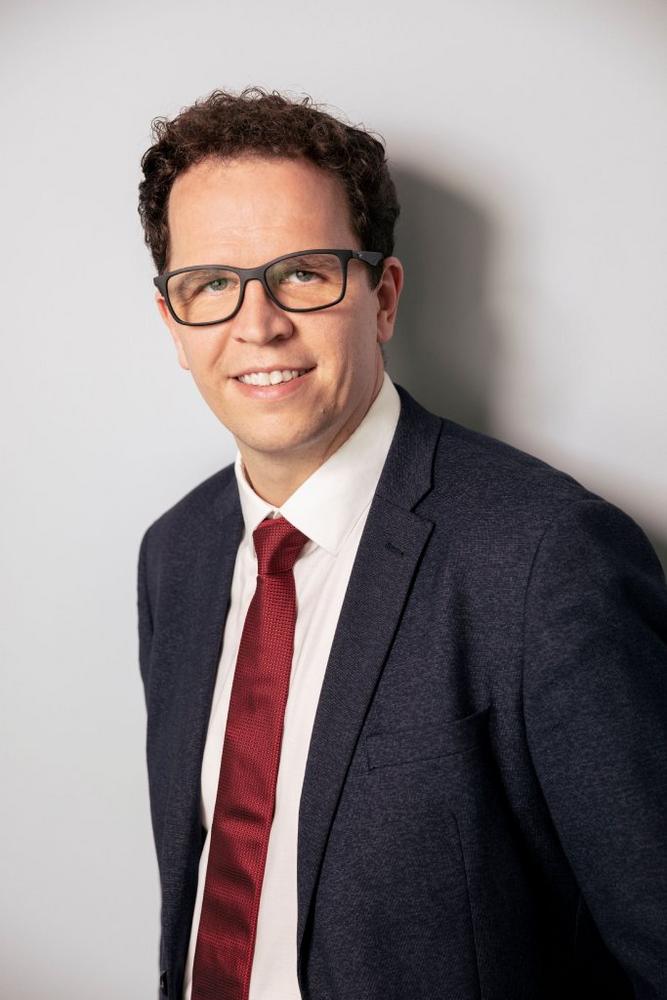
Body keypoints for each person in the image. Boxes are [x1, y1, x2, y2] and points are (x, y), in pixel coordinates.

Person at [136, 86, 667, 1000]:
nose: (257, 324)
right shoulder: (173, 556)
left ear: (380, 298)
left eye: (303, 273)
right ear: (174, 326)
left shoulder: (546, 556)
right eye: (212, 284)